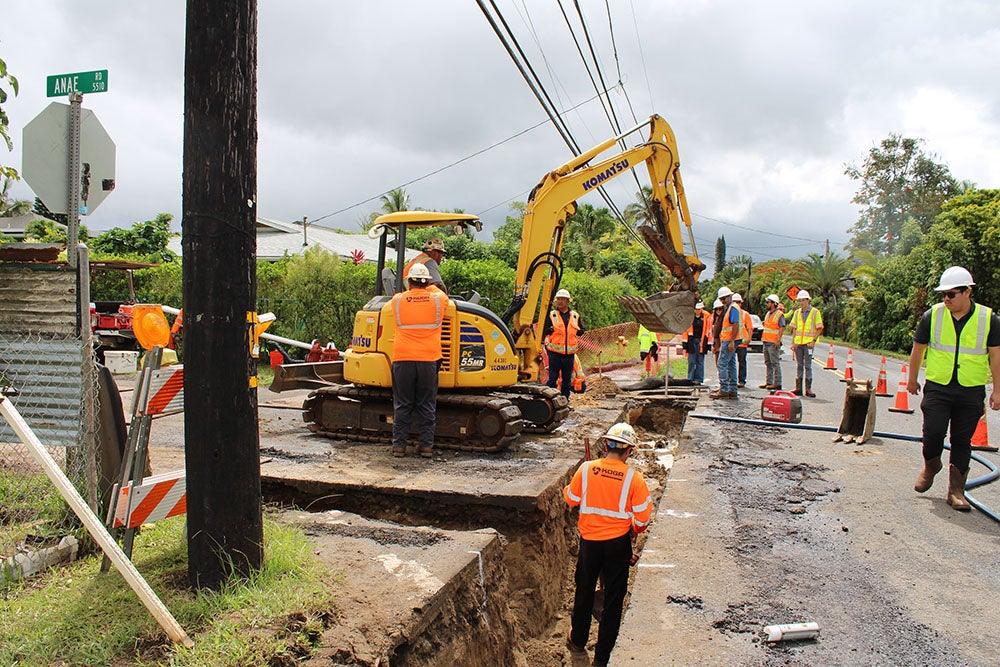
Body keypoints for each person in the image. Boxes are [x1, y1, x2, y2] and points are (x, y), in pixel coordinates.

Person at [907, 266, 1000, 511]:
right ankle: (931, 465)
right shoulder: (933, 315)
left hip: (970, 389)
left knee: (962, 439)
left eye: (952, 294)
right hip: (939, 386)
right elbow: (918, 348)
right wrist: (912, 378)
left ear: (967, 292)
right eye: (943, 295)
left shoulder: (988, 319)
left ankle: (956, 490)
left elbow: (996, 356)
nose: (946, 299)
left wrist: (997, 390)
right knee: (933, 431)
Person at [564, 423, 651, 667]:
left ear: (605, 445)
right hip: (617, 545)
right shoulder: (635, 479)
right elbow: (643, 519)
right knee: (613, 600)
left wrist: (568, 489)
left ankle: (578, 639)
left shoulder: (587, 468)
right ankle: (602, 658)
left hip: (590, 544)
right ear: (629, 451)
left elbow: (571, 498)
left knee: (584, 590)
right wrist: (632, 527)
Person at [389, 262, 449, 458]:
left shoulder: (397, 300)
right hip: (428, 359)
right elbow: (438, 292)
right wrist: (429, 286)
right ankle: (426, 447)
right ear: (426, 282)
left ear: (409, 282)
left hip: (403, 358)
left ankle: (399, 447)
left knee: (402, 404)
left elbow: (406, 295)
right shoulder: (438, 301)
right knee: (426, 404)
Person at [543, 288, 585, 401]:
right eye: (558, 299)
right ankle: (549, 400)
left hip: (569, 355)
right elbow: (544, 330)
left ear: (568, 301)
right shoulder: (552, 315)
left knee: (567, 380)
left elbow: (581, 331)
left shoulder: (575, 316)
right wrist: (549, 330)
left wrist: (577, 330)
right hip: (555, 353)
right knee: (552, 379)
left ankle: (564, 400)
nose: (560, 301)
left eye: (562, 299)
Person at [787, 290, 823, 397]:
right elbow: (794, 328)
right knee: (799, 365)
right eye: (800, 301)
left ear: (808, 300)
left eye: (803, 300)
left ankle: (808, 389)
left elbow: (819, 328)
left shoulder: (815, 312)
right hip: (799, 344)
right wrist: (793, 343)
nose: (801, 303)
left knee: (808, 365)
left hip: (808, 344)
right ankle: (798, 388)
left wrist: (813, 341)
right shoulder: (797, 312)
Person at [709, 287, 741, 399]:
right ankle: (732, 389)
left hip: (730, 340)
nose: (722, 301)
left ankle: (724, 389)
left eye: (723, 299)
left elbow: (735, 324)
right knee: (731, 364)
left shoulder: (732, 308)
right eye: (721, 299)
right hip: (729, 339)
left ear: (729, 297)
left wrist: (732, 341)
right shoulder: (729, 308)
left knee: (722, 364)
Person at [759, 294, 786, 390]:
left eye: (768, 302)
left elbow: (782, 327)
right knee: (768, 363)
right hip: (766, 341)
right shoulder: (768, 314)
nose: (766, 304)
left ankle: (777, 383)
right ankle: (769, 382)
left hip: (773, 343)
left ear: (774, 303)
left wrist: (778, 340)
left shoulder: (779, 314)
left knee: (775, 363)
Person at [683, 302, 709, 384]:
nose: (697, 311)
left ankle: (699, 379)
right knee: (691, 361)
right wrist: (685, 343)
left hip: (701, 341)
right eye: (696, 309)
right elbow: (685, 330)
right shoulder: (689, 317)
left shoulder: (706, 316)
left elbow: (708, 330)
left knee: (700, 361)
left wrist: (707, 343)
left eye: (699, 309)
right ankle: (690, 379)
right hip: (692, 340)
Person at [732, 293, 751, 388]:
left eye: (738, 302)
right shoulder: (730, 312)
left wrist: (749, 338)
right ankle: (732, 380)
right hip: (733, 341)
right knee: (731, 361)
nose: (737, 304)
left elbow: (750, 328)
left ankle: (742, 380)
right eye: (735, 302)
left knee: (742, 361)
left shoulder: (745, 314)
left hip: (742, 342)